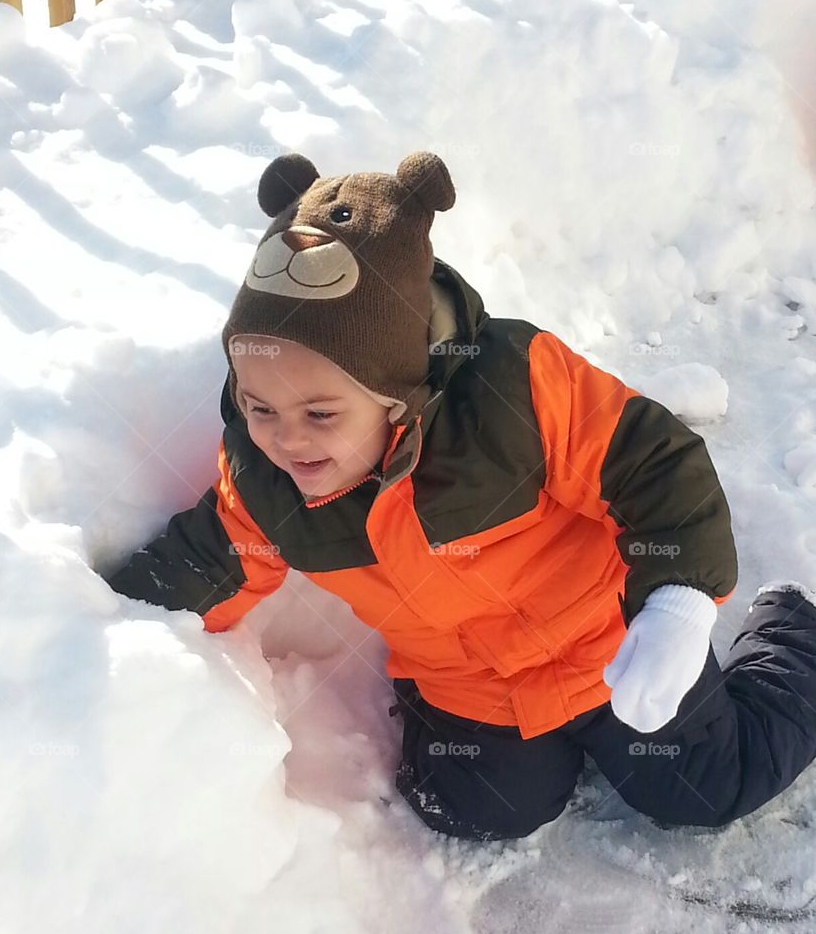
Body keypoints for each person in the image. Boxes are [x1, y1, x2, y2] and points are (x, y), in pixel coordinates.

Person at [106, 150, 816, 842]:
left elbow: (655, 467)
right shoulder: (266, 483)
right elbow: (207, 559)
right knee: (480, 810)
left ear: (393, 392)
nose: (288, 439)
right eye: (259, 408)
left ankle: (794, 636)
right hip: (470, 687)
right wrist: (100, 623)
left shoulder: (512, 393)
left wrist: (678, 604)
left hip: (610, 643)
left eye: (319, 413)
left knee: (706, 786)